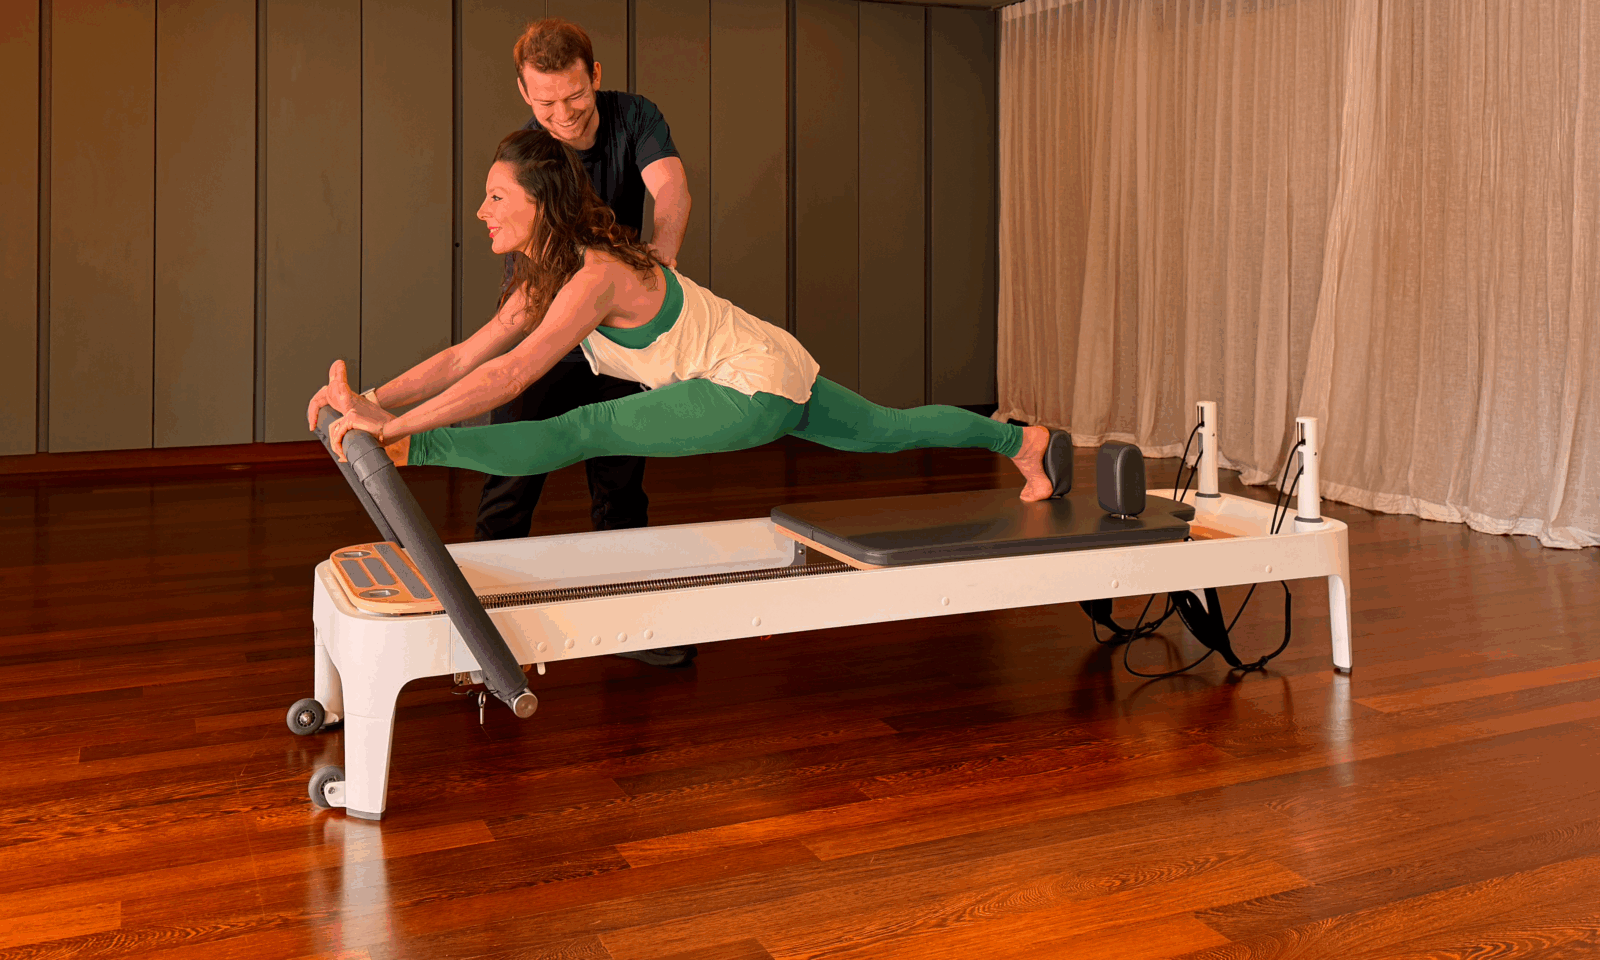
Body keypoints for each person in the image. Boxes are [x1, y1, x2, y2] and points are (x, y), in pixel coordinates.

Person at [309, 130, 1062, 639]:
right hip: (773, 364)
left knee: (588, 428)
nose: (482, 211)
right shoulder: (553, 272)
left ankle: (416, 455)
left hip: (747, 387)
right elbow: (463, 356)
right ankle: (1023, 442)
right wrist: (375, 400)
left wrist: (396, 434)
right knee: (889, 431)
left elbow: (510, 374)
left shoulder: (595, 275)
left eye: (497, 197)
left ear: (541, 202)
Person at [488, 18, 694, 666]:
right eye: (545, 101)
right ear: (524, 92)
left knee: (620, 483)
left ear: (595, 76)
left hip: (619, 335)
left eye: (574, 96)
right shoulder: (530, 153)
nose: (562, 114)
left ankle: (629, 625)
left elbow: (670, 187)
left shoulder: (635, 117)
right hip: (546, 331)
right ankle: (483, 635)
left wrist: (662, 257)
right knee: (511, 479)